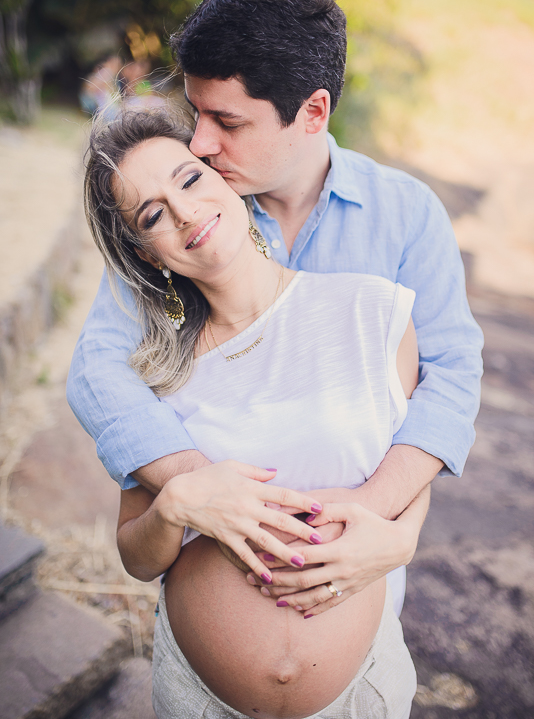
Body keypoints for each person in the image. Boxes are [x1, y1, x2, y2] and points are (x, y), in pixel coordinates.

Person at [67, 0, 483, 614]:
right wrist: (198, 487)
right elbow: (98, 368)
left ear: (313, 111)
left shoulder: (404, 214)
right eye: (196, 113)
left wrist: (386, 524)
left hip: (354, 604)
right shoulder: (189, 206)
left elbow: (450, 377)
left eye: (226, 121)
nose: (199, 141)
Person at [83, 107, 431, 718]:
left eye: (189, 180)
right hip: (199, 698)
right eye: (153, 215)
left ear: (229, 182)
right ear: (148, 254)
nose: (185, 212)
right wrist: (175, 505)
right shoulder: (156, 376)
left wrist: (403, 538)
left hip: (359, 693)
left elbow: (409, 471)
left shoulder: (371, 315)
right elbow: (137, 557)